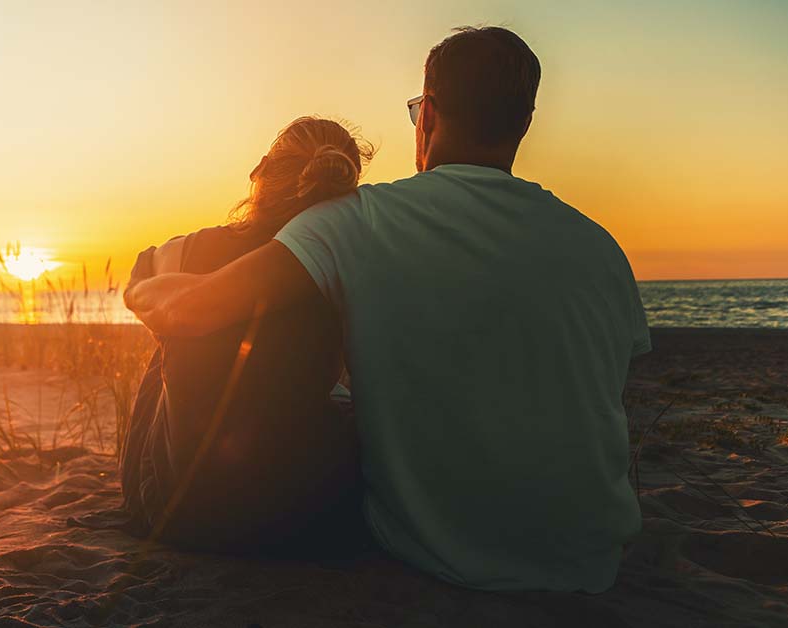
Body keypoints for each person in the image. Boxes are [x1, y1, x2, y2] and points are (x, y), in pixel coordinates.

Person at [125, 26, 650, 593]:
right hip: (593, 563)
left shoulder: (358, 220)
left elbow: (191, 314)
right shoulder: (601, 247)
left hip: (438, 558)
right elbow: (606, 393)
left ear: (427, 116)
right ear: (522, 124)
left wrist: (144, 287)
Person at [118, 117, 376, 554]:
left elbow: (139, 276)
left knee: (165, 352)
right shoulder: (342, 266)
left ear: (260, 171)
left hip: (173, 507)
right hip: (292, 512)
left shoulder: (193, 249)